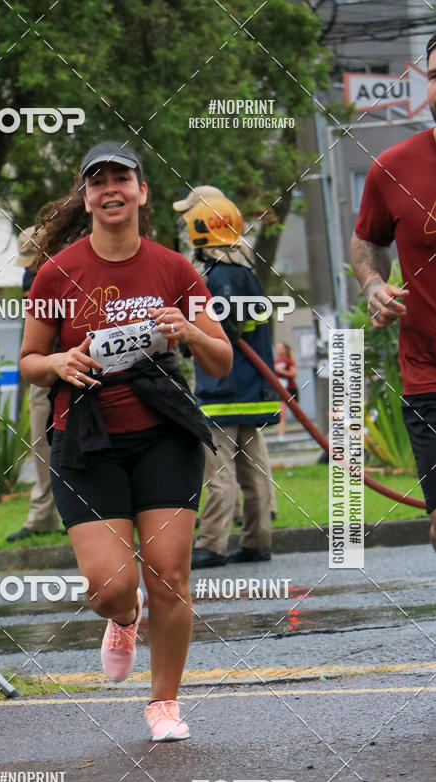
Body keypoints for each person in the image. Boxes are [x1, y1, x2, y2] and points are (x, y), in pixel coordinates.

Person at [19, 141, 232, 740]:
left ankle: (163, 704)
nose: (111, 188)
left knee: (169, 573)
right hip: (86, 441)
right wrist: (59, 362)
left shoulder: (174, 269)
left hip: (163, 436)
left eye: (122, 177)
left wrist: (187, 328)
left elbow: (220, 360)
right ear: (86, 197)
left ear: (141, 192)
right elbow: (32, 359)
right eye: (98, 181)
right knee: (110, 586)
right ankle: (122, 619)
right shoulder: (56, 273)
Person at [350, 32, 436, 553]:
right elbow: (368, 242)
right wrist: (374, 284)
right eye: (435, 76)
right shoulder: (392, 168)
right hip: (429, 372)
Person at [175, 192, 279, 568]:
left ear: (201, 230)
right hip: (254, 389)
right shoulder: (245, 270)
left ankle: (212, 544)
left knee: (218, 471)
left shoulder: (220, 276)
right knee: (254, 470)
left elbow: (221, 333)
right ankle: (257, 541)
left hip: (223, 390)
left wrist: (190, 338)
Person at [7, 228, 62, 541]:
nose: (28, 267)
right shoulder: (31, 280)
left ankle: (82, 513)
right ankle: (42, 517)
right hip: (42, 368)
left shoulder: (72, 269)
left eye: (34, 260)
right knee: (41, 441)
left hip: (77, 365)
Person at [274, 341, 298, 441]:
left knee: (297, 413)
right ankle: (281, 436)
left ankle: (310, 432)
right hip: (281, 391)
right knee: (282, 413)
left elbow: (294, 374)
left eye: (280, 348)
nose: (278, 350)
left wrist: (282, 371)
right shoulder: (275, 362)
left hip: (290, 390)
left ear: (285, 349)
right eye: (277, 348)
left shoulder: (289, 361)